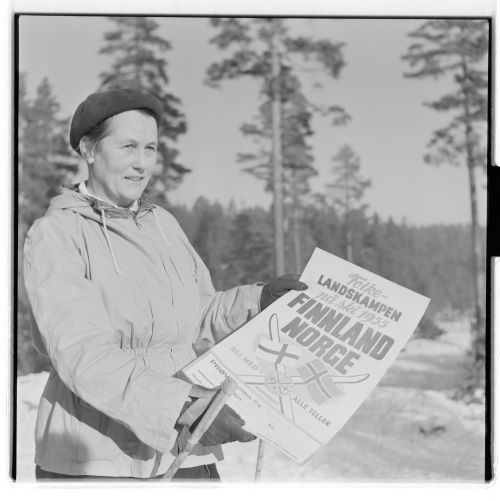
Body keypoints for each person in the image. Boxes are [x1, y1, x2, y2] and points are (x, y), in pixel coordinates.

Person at [23, 88, 307, 481]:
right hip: (98, 461)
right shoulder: (56, 235)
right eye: (128, 147)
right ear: (89, 150)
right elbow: (82, 355)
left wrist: (258, 302)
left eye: (151, 149)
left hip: (186, 449)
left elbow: (199, 317)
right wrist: (182, 407)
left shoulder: (163, 226)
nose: (141, 164)